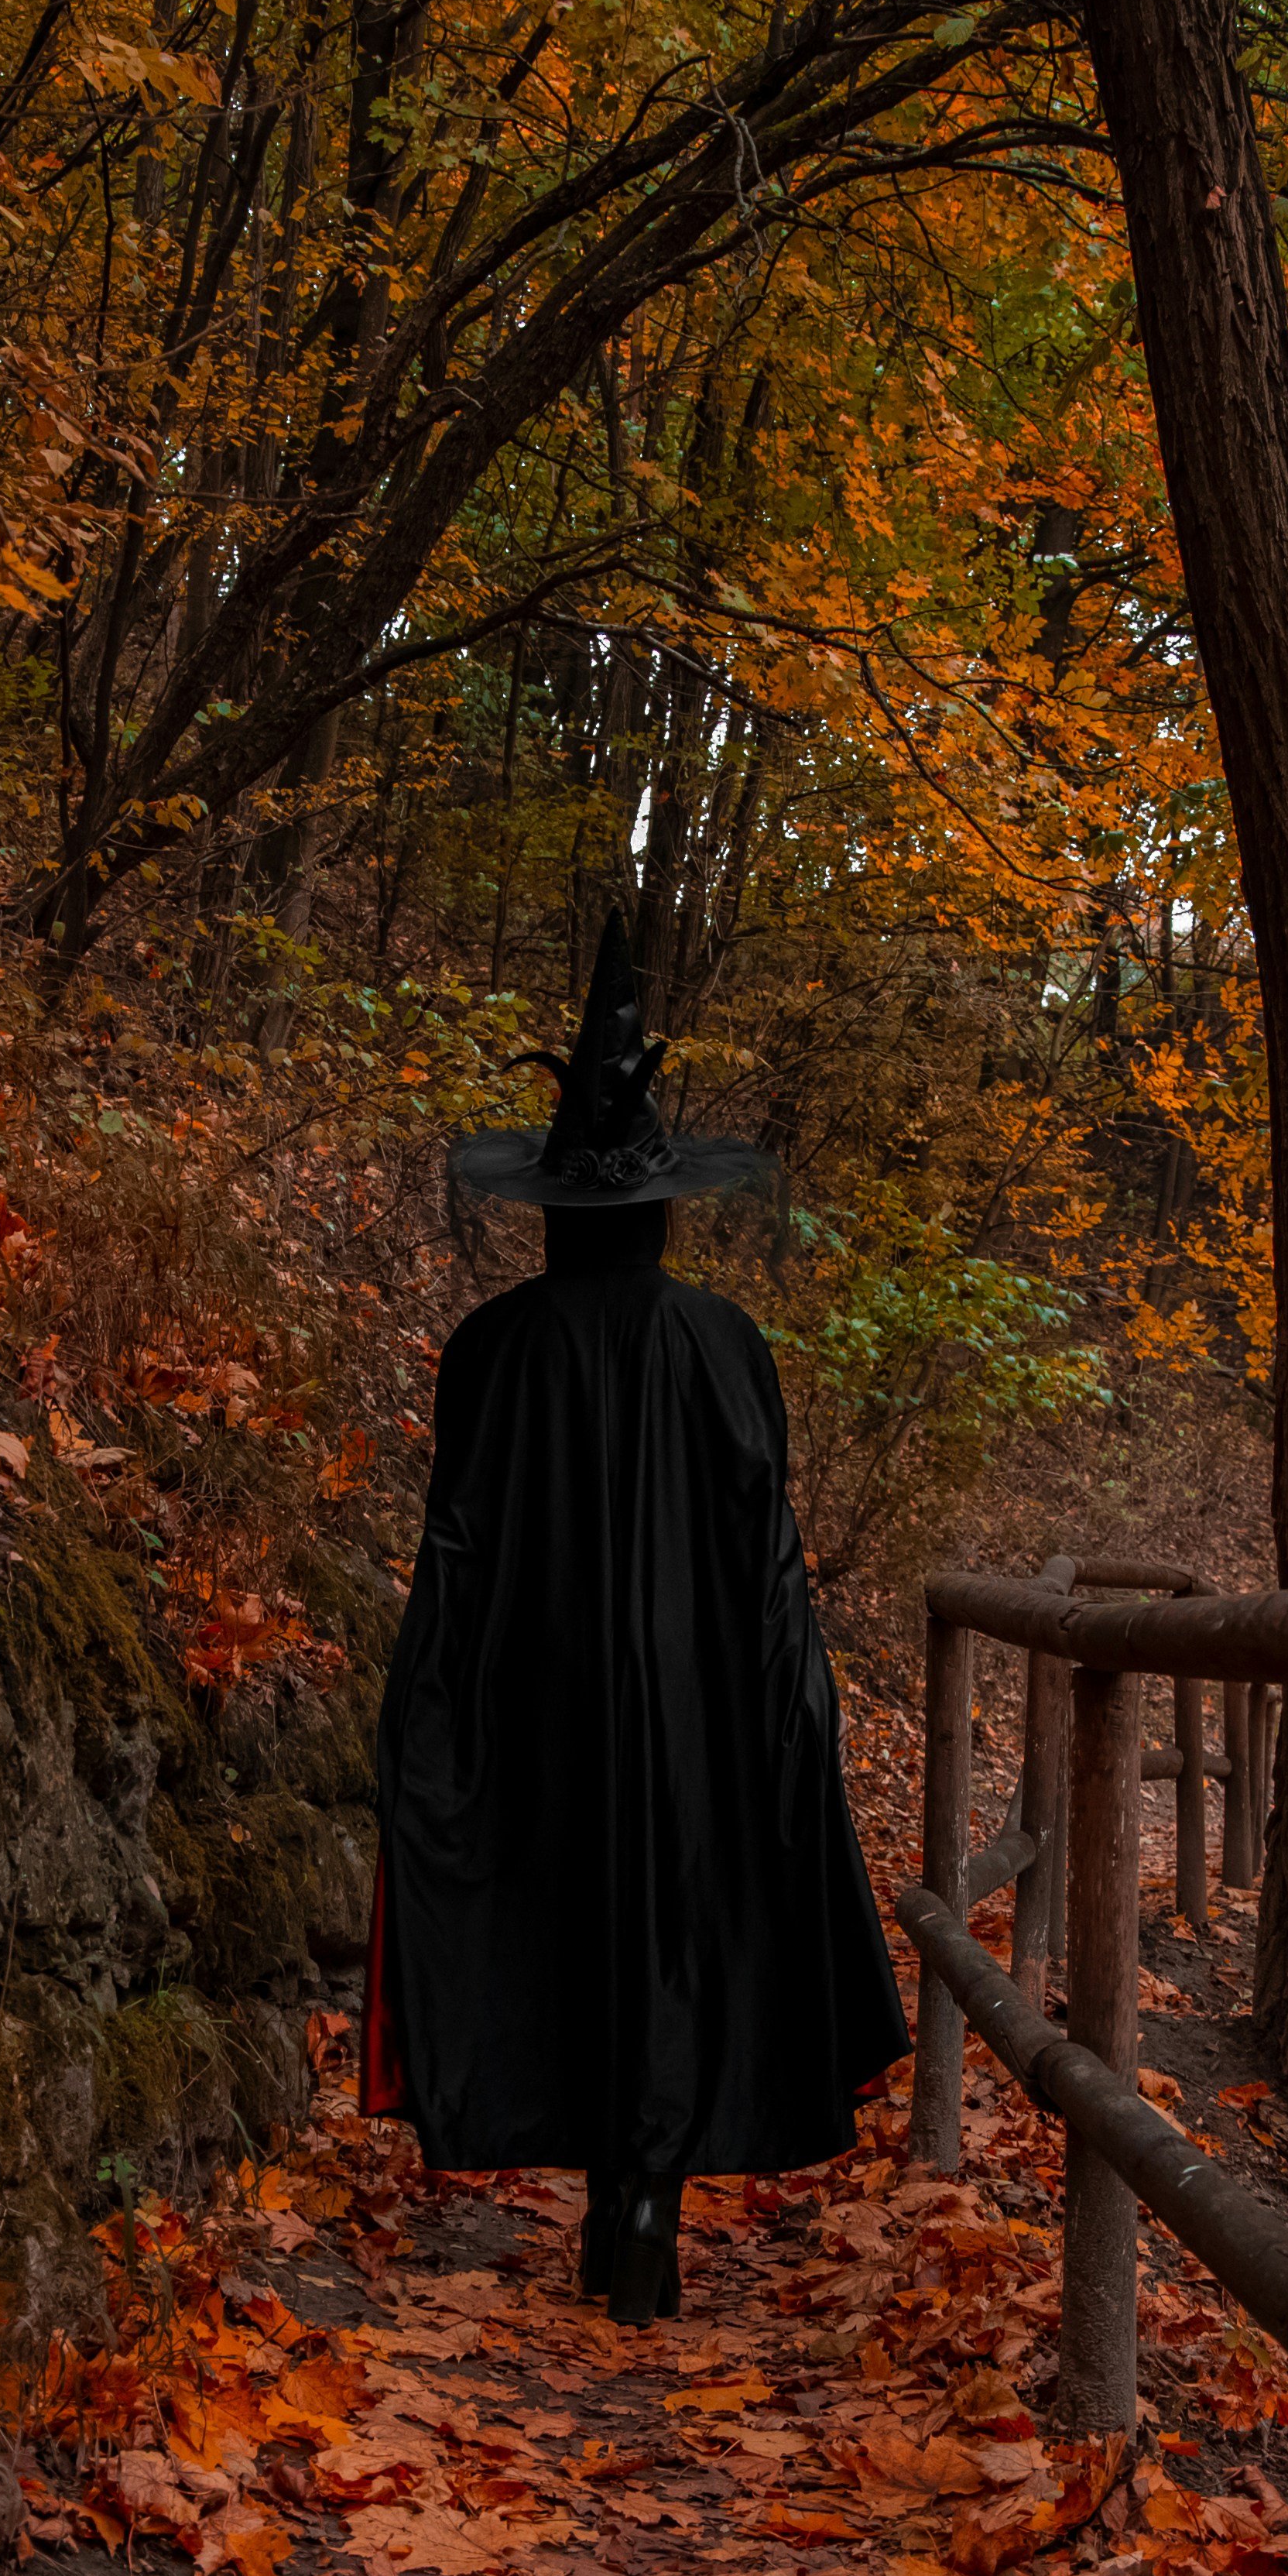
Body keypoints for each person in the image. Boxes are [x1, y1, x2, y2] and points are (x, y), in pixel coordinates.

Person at [360, 920, 909, 2322]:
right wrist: (791, 1713)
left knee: (562, 1915)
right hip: (694, 1705)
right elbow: (766, 1556)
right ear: (660, 1209)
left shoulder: (494, 1351)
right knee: (669, 1918)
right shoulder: (727, 1347)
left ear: (554, 1210)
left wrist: (430, 1716)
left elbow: (460, 1560)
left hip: (536, 1703)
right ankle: (643, 2202)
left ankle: (622, 2192)